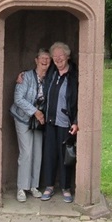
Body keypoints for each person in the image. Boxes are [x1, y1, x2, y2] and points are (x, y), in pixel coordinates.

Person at [9, 48, 51, 202]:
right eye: (42, 57)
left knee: (37, 153)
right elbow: (18, 99)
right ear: (36, 60)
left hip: (39, 121)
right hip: (23, 118)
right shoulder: (25, 76)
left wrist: (40, 115)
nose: (45, 61)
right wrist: (36, 112)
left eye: (48, 58)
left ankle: (33, 185)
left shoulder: (50, 78)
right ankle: (22, 187)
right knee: (26, 152)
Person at [41, 42, 78, 203]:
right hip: (50, 122)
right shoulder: (52, 73)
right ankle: (49, 186)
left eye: (60, 56)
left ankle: (65, 188)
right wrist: (22, 74)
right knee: (50, 155)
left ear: (67, 56)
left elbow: (80, 101)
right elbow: (37, 75)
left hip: (66, 123)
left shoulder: (74, 75)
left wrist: (76, 122)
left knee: (65, 157)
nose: (57, 59)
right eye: (54, 57)